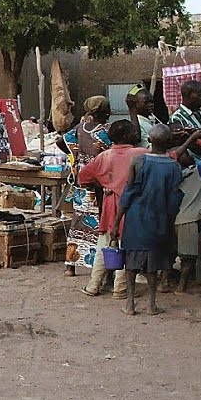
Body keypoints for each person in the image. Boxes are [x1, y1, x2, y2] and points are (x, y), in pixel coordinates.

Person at [116, 124, 184, 316]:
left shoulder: (138, 161)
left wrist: (116, 222)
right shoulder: (174, 166)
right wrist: (169, 222)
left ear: (149, 140)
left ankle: (130, 304)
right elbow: (175, 200)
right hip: (160, 220)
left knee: (131, 262)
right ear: (169, 142)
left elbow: (128, 193)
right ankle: (152, 304)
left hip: (136, 219)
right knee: (153, 265)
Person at [78, 119, 147, 299]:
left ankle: (93, 285)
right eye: (133, 131)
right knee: (127, 247)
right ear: (126, 136)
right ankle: (120, 288)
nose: (136, 134)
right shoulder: (140, 153)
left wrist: (103, 185)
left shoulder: (104, 156)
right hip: (131, 206)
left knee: (105, 244)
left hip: (109, 206)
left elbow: (83, 177)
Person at [167, 80, 201, 292]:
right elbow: (182, 144)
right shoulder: (177, 118)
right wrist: (196, 137)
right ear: (187, 94)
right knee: (188, 221)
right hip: (189, 174)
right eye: (199, 94)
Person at [61, 96, 114, 276]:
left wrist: (76, 156)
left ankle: (70, 265)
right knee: (101, 221)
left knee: (78, 219)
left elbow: (61, 141)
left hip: (81, 181)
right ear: (107, 113)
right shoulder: (105, 131)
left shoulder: (79, 128)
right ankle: (100, 265)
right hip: (99, 182)